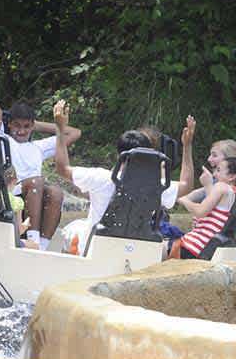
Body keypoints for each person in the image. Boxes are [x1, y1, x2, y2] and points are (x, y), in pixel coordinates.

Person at [52, 101, 195, 255]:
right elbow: (187, 185)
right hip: (136, 249)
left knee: (72, 228)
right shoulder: (155, 185)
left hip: (97, 249)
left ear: (119, 154)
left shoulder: (101, 178)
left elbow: (62, 169)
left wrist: (60, 129)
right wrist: (187, 146)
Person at [0, 100, 81, 251]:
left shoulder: (38, 147)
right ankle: (32, 240)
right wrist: (10, 118)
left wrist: (36, 124)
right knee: (36, 181)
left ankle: (41, 246)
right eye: (17, 125)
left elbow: (74, 132)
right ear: (9, 124)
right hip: (12, 195)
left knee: (56, 192)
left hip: (35, 199)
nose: (21, 131)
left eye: (26, 126)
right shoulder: (3, 139)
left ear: (32, 126)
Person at [172, 157, 236, 259]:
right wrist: (208, 185)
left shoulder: (221, 186)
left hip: (191, 247)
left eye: (218, 170)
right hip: (206, 249)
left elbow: (200, 211)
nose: (214, 174)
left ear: (232, 176)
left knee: (159, 248)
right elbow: (209, 211)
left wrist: (183, 200)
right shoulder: (235, 195)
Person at [187, 139, 236, 204]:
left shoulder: (227, 187)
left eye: (214, 155)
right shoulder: (218, 181)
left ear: (229, 160)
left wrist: (208, 185)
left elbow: (208, 208)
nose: (209, 159)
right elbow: (196, 194)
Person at [4, 167, 39, 249]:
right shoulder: (17, 202)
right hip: (7, 242)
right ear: (15, 181)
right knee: (35, 246)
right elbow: (18, 231)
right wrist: (25, 225)